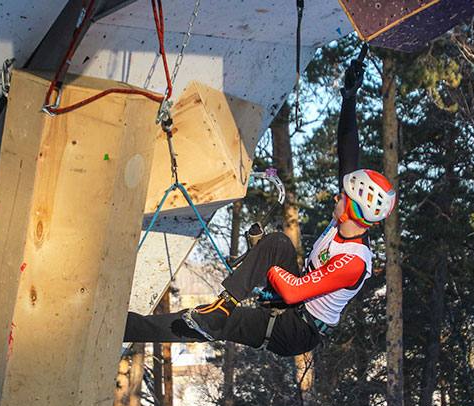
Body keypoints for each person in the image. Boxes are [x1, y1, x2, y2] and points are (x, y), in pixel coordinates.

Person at [123, 49, 396, 357]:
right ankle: (220, 309)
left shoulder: (354, 262)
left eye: (343, 197)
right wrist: (349, 98)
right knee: (278, 244)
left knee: (223, 324)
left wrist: (264, 271)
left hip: (295, 329)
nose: (337, 195)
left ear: (354, 210)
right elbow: (349, 154)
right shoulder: (347, 220)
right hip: (296, 298)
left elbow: (292, 290)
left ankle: (130, 328)